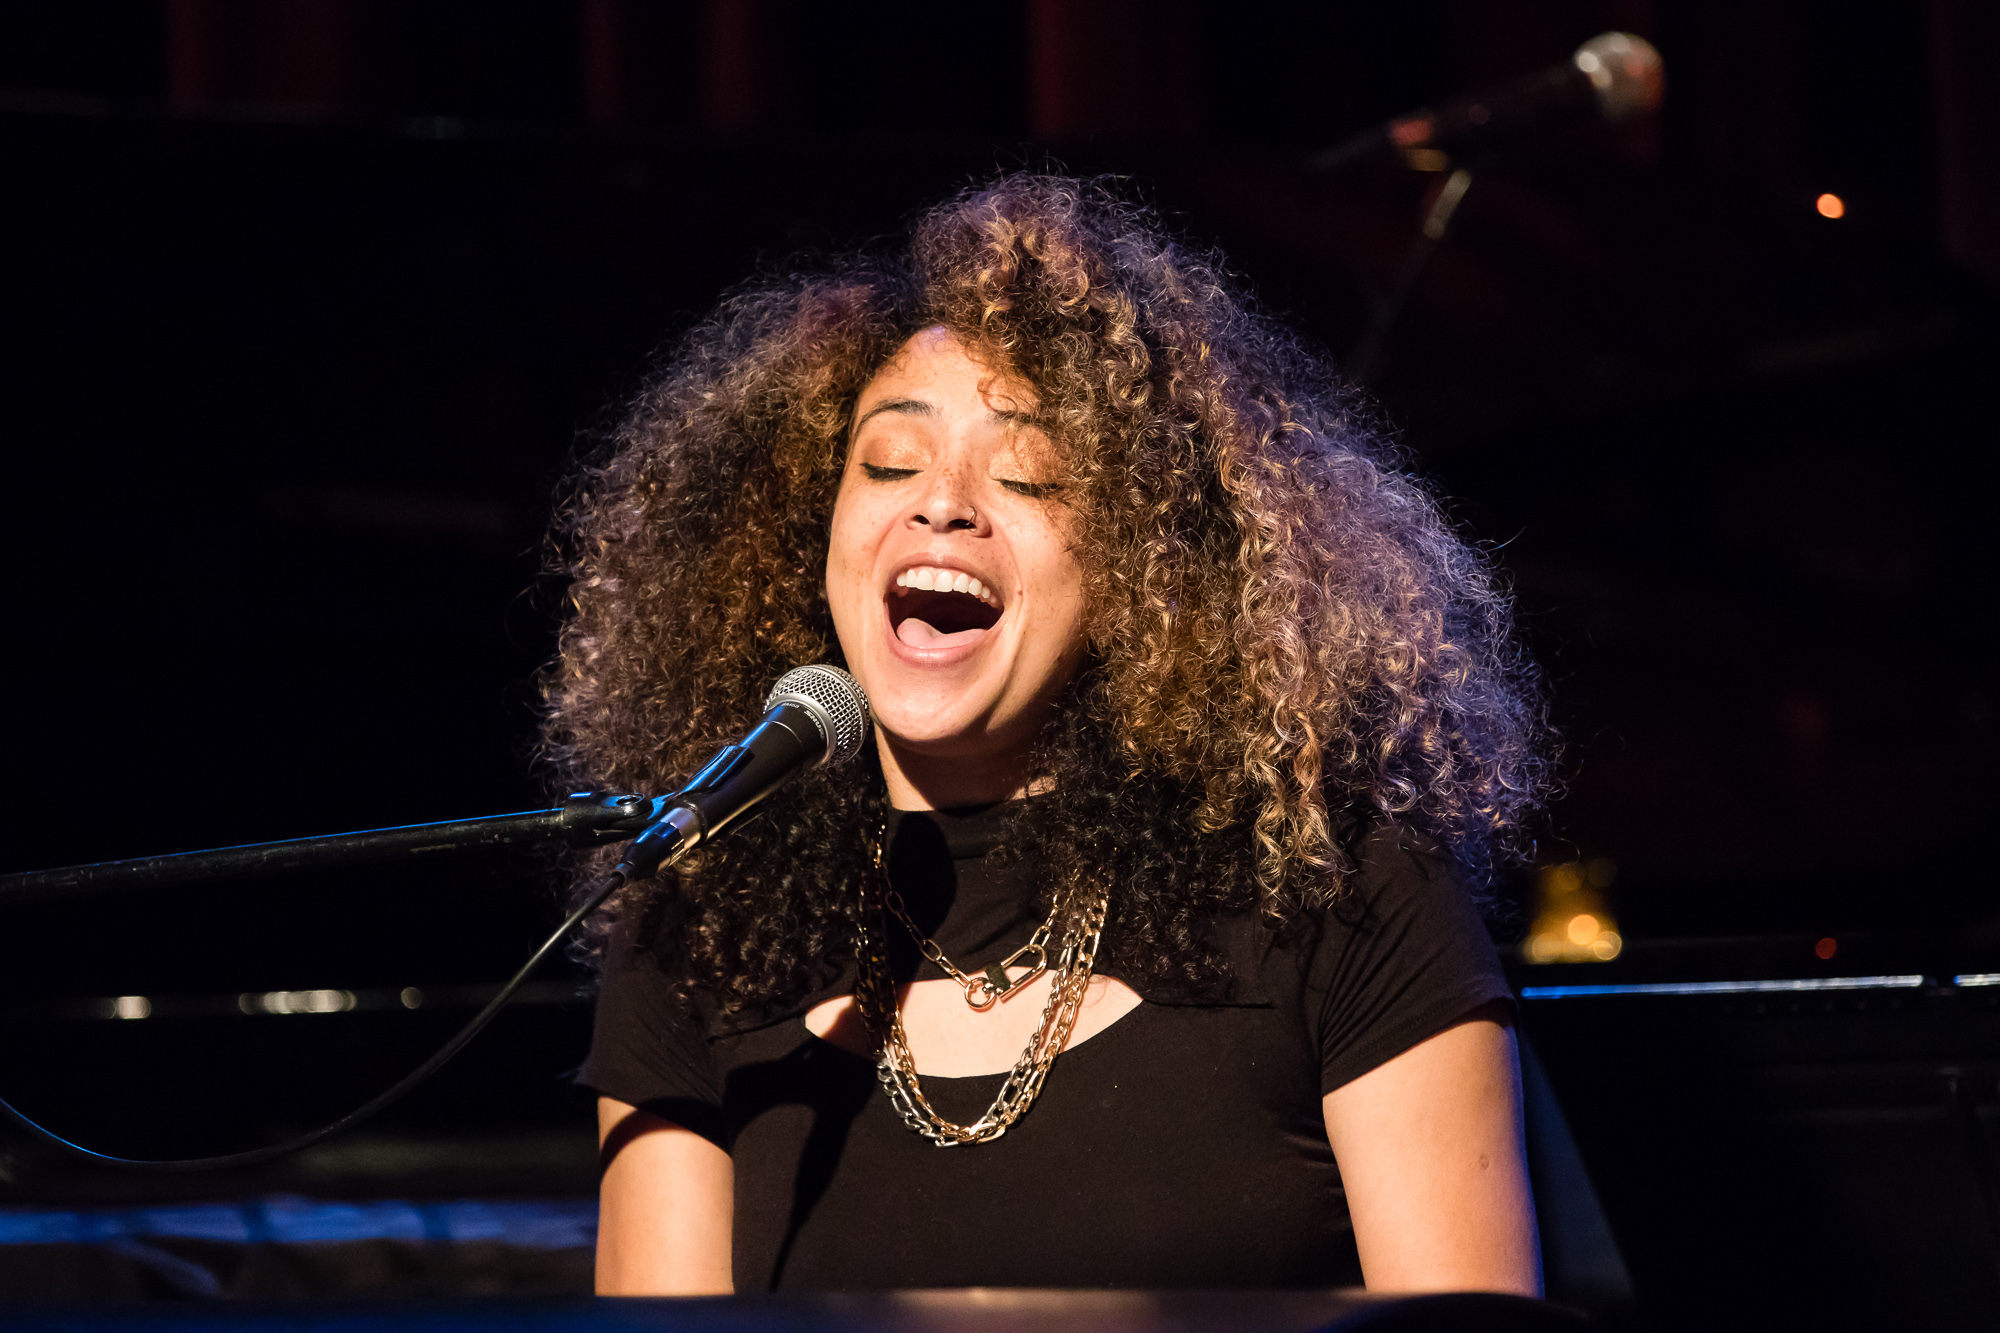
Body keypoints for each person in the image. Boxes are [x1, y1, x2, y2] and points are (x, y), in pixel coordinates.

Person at [545, 174, 1549, 1297]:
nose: (941, 503)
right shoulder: (702, 925)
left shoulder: (1333, 886)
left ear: (1147, 568)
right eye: (888, 463)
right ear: (807, 530)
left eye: (1028, 472)